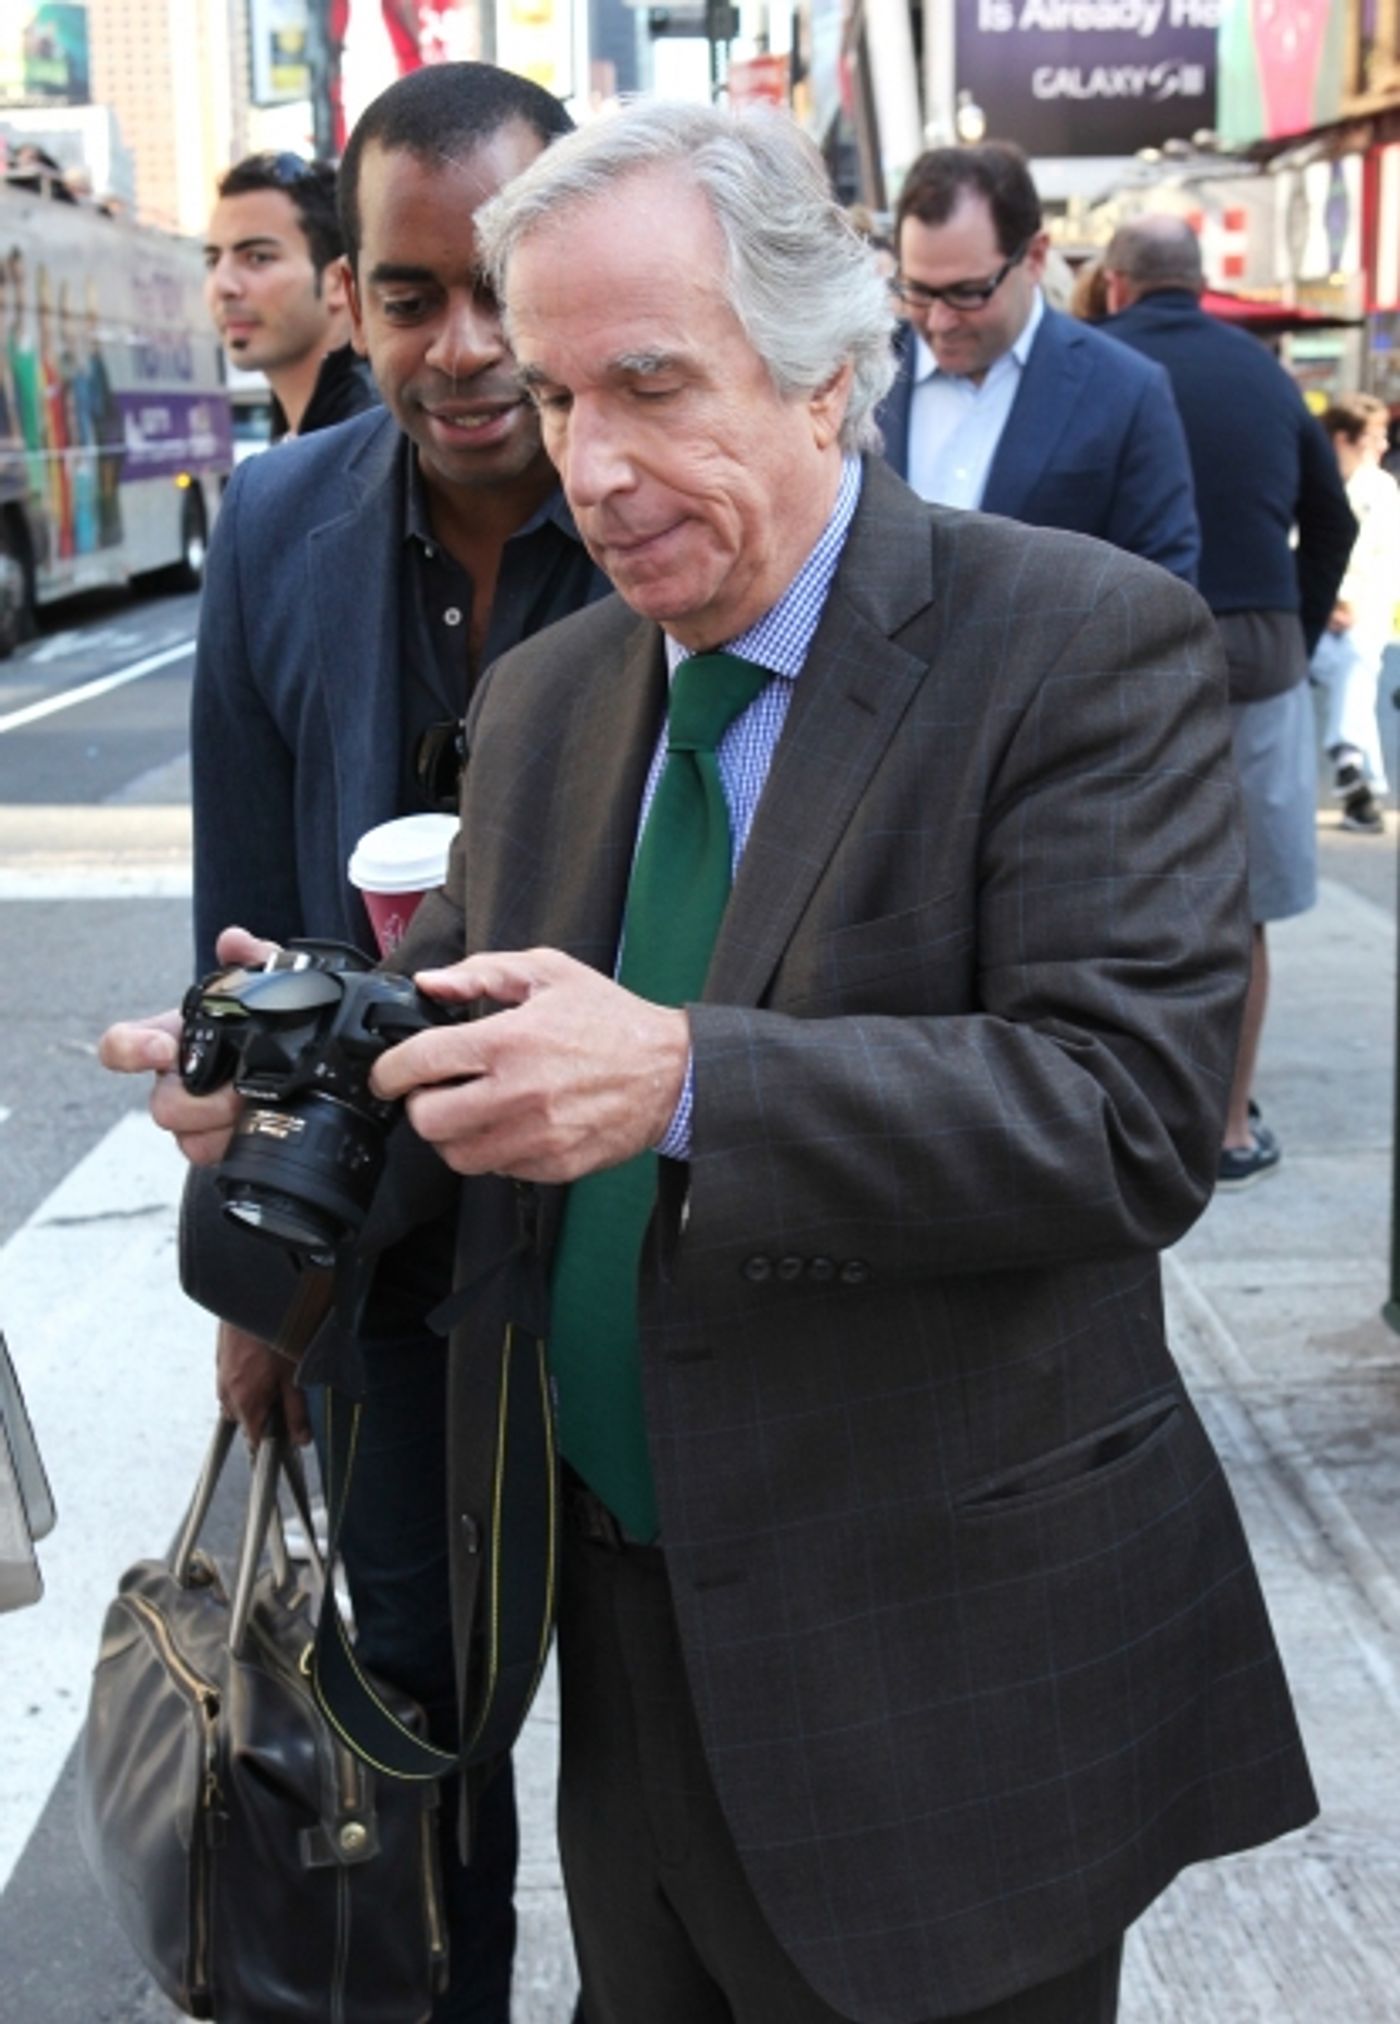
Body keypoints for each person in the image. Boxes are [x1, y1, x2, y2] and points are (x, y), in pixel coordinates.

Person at [107, 100, 1317, 2024]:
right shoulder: (550, 701)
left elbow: (1129, 1111)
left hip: (936, 1674)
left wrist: (683, 1080)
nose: (595, 466)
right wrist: (312, 1085)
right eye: (565, 395)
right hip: (625, 1641)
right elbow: (497, 1115)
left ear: (830, 375)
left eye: (653, 389)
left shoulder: (1076, 644)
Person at [188, 64, 608, 2024]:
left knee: (663, 1767)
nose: (465, 349)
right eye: (411, 292)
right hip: (389, 1289)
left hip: (641, 1267)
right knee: (422, 1770)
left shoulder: (660, 505)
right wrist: (261, 1289)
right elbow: (244, 914)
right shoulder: (273, 524)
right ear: (345, 297)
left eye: (499, 287)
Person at [1101, 213, 1357, 1190]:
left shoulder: (1098, 364)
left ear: (1116, 283)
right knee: (1238, 898)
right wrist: (1286, 618)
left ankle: (1122, 1104)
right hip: (1252, 642)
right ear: (1200, 284)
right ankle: (1226, 1127)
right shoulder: (1261, 373)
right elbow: (1327, 517)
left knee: (1113, 888)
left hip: (1120, 646)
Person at [876, 142, 1200, 582]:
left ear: (1035, 257)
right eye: (918, 291)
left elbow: (1165, 597)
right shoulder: (859, 375)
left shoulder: (1125, 392)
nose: (939, 321)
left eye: (968, 292)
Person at [203, 151, 376, 439]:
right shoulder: (301, 436)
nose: (223, 286)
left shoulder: (374, 444)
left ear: (338, 283)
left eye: (258, 258)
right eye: (213, 261)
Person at [1312, 394, 1399, 833]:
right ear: (1344, 438)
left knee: (1357, 656)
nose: (1384, 444)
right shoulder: (1312, 480)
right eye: (1375, 436)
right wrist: (1326, 603)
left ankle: (1349, 765)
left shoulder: (1381, 489)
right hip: (1311, 615)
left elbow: (1383, 561)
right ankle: (1357, 783)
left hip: (1362, 617)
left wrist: (1346, 602)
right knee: (1356, 666)